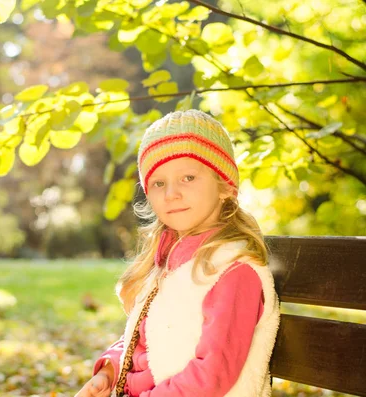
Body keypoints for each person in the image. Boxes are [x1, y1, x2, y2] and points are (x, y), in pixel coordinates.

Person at [75, 109, 280, 397]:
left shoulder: (233, 271)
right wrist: (109, 371)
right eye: (159, 183)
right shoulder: (168, 262)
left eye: (187, 178)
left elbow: (212, 375)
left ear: (224, 186)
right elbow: (145, 339)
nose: (171, 193)